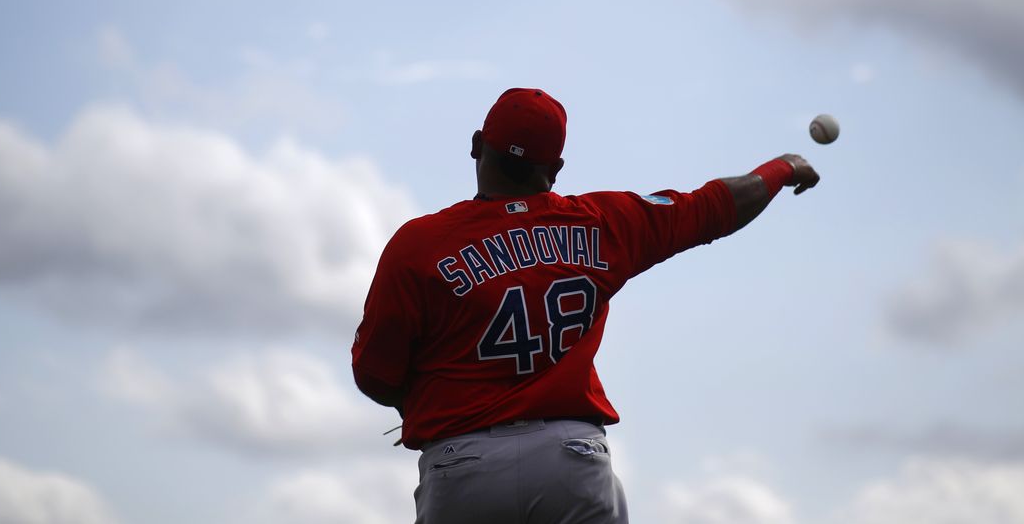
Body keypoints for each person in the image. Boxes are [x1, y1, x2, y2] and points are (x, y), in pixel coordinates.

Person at [351, 88, 820, 523]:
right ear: (554, 169)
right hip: (571, 462)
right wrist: (782, 166)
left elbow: (375, 374)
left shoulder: (419, 244)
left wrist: (426, 402)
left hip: (464, 465)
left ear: (476, 145)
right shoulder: (604, 221)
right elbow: (716, 206)